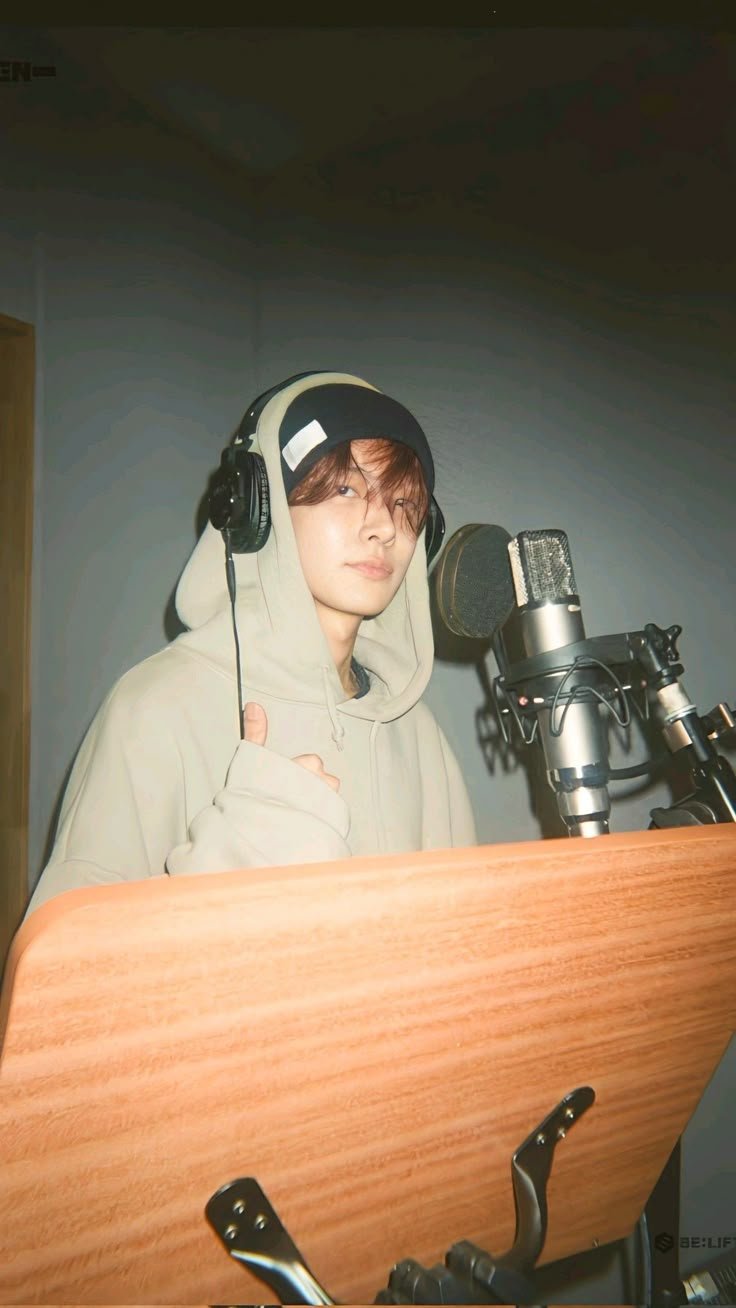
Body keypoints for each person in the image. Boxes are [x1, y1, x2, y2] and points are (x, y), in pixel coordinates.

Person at [25, 371, 477, 917]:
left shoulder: (418, 734)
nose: (384, 525)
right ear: (256, 509)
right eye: (346, 489)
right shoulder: (156, 705)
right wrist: (233, 859)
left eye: (404, 503)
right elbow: (65, 961)